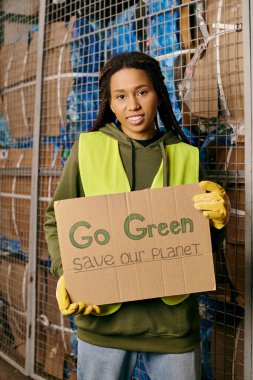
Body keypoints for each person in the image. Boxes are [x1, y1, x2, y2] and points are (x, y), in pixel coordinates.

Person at [44, 51, 229, 380]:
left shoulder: (186, 156)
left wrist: (218, 223)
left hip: (171, 326)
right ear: (110, 104)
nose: (133, 105)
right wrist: (66, 272)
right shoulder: (88, 149)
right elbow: (56, 219)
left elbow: (197, 245)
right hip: (104, 323)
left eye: (142, 92)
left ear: (158, 93)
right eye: (121, 96)